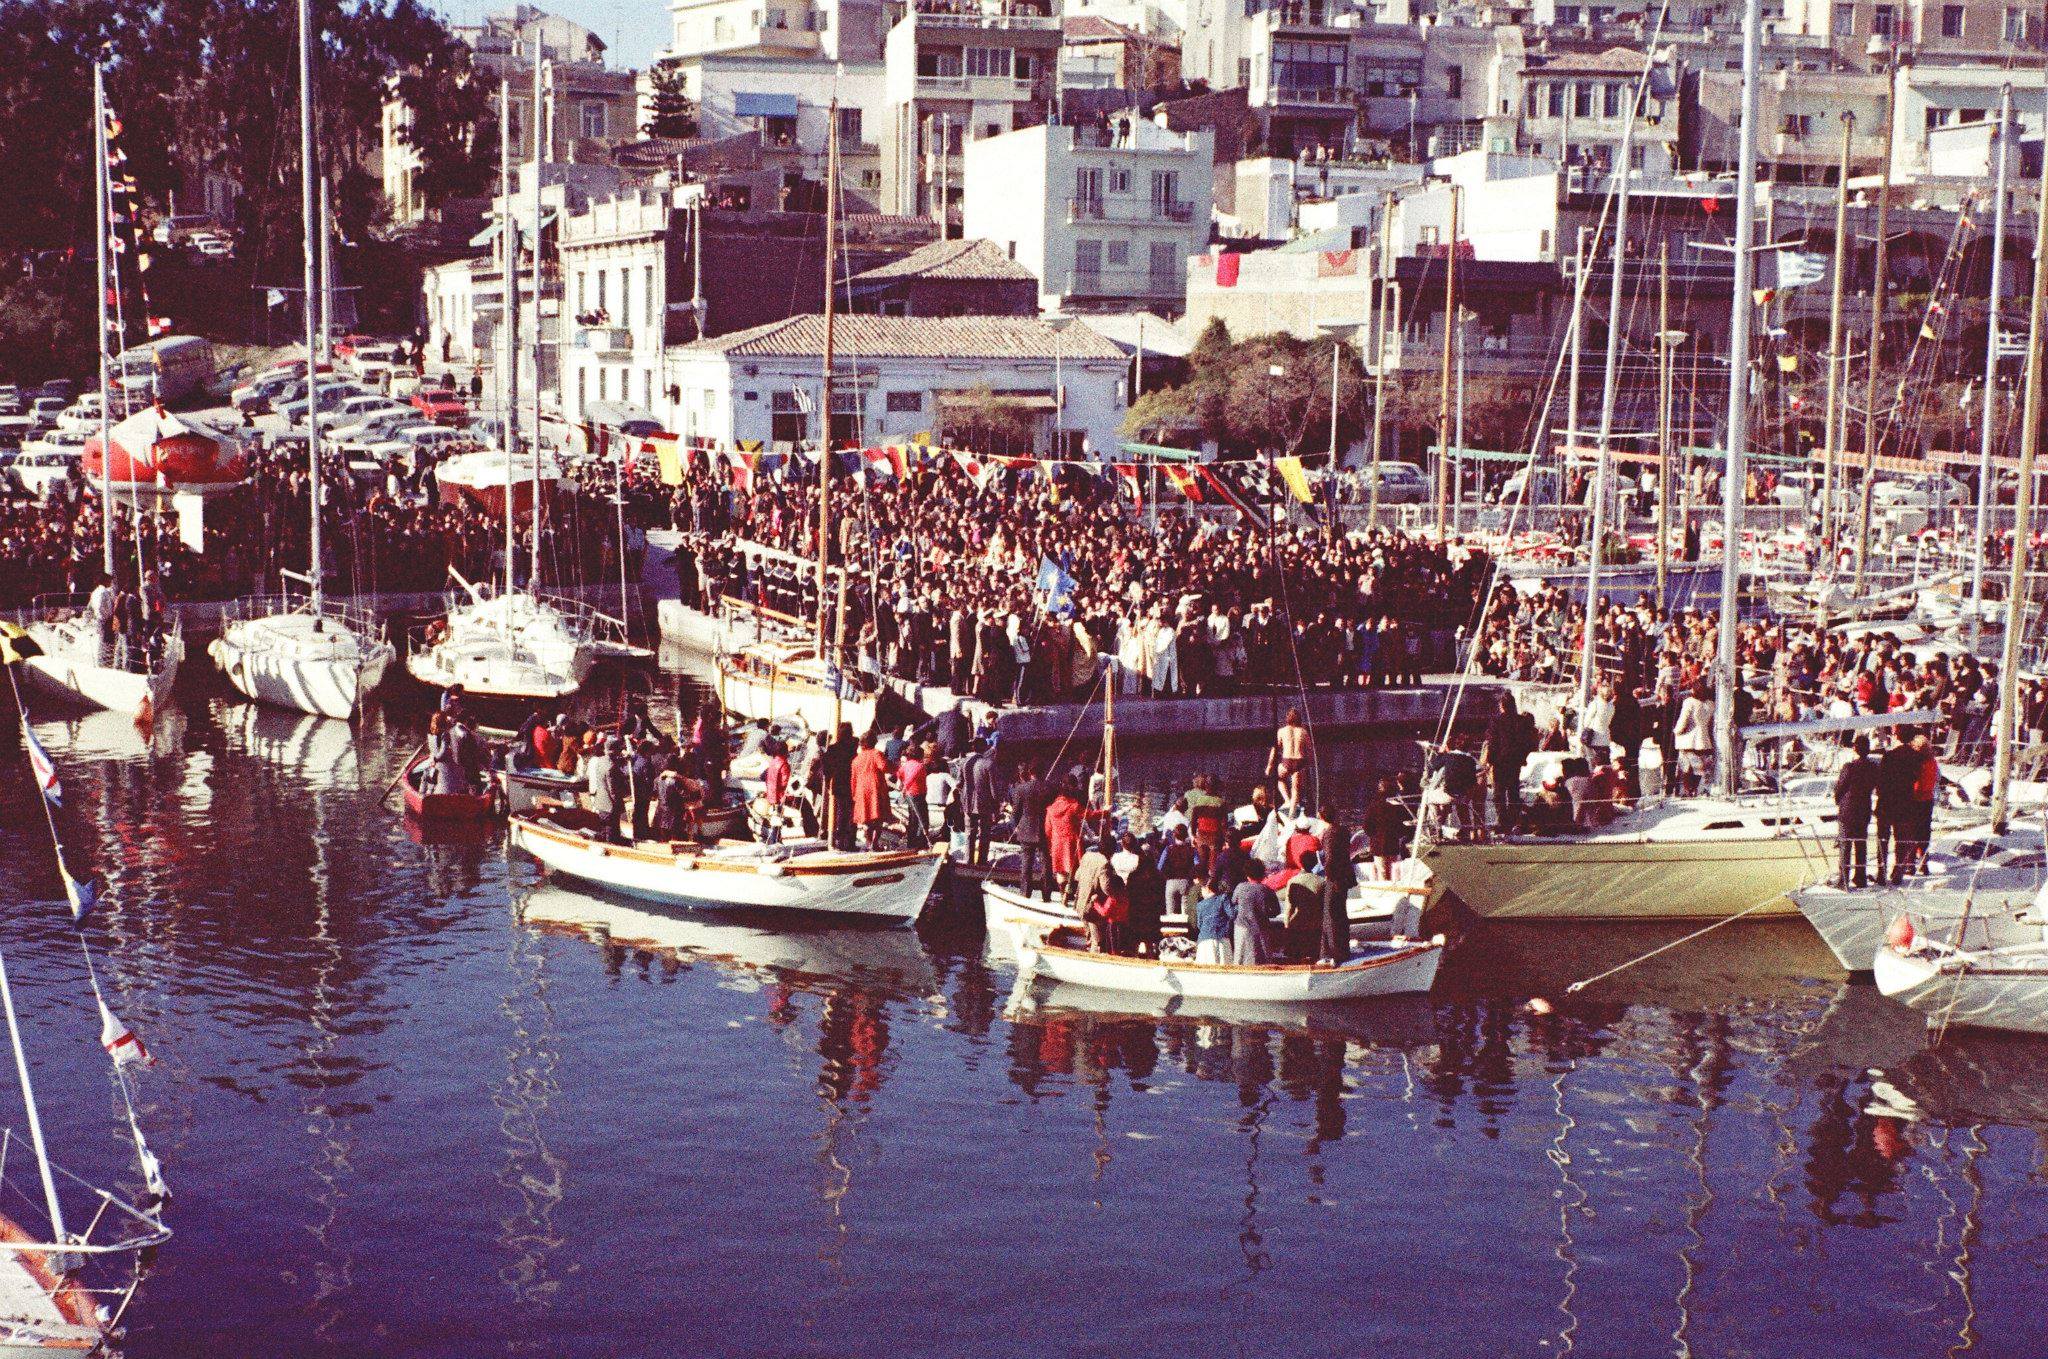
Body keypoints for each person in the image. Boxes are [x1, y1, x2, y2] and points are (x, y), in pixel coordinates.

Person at [1481, 692, 1535, 832]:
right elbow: (1527, 742)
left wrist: (1490, 761)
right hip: (1515, 761)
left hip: (1500, 761)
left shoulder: (1496, 721)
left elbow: (1493, 742)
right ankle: (1514, 820)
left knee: (1499, 793)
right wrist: (1522, 757)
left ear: (1502, 705)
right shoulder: (1521, 721)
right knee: (1513, 791)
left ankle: (1502, 821)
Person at [1832, 734, 1878, 889]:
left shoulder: (1849, 767)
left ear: (1855, 749)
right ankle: (1860, 877)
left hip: (1848, 810)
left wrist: (1838, 800)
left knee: (1845, 845)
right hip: (1863, 808)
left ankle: (1843, 880)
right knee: (1860, 845)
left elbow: (1840, 789)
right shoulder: (1873, 768)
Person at [1875, 730, 1920, 886]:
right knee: (1901, 840)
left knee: (1883, 839)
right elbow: (1916, 777)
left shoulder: (1889, 756)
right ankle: (1898, 872)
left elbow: (1880, 781)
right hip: (1905, 802)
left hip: (1887, 802)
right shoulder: (1915, 757)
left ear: (1897, 736)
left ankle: (1881, 872)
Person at [1316, 803, 1354, 964]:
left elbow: (1330, 859)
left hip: (1335, 878)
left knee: (1331, 915)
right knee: (1340, 914)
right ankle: (1340, 949)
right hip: (1344, 877)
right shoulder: (1343, 831)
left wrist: (1330, 876)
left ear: (1321, 817)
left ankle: (1334, 953)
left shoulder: (1330, 833)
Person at [1009, 762, 1053, 899]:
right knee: (1046, 863)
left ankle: (1025, 893)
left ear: (1030, 772)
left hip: (1026, 829)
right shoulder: (1049, 787)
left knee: (1026, 864)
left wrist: (1016, 826)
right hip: (1044, 828)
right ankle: (1046, 894)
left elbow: (1016, 812)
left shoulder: (1021, 789)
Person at [1073, 831, 1119, 952]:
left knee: (1090, 936)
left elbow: (1077, 876)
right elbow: (1107, 888)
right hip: (1092, 908)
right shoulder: (1104, 863)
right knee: (1097, 941)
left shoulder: (1087, 856)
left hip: (1080, 904)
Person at [1122, 834, 1165, 956]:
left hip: (1136, 914)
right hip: (1151, 915)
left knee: (1134, 943)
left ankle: (1134, 957)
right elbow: (1160, 897)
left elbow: (1129, 893)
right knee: (1150, 943)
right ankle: (1150, 956)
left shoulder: (1133, 876)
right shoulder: (1158, 876)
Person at [1045, 780, 1086, 906]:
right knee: (1072, 871)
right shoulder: (1073, 806)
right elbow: (1088, 814)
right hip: (1071, 841)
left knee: (1060, 871)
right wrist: (1104, 812)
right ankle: (1068, 896)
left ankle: (1063, 894)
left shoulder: (1051, 808)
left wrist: (1050, 845)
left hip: (1057, 842)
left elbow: (1047, 830)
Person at [819, 723, 858, 851]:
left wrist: (828, 777)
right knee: (852, 813)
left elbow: (826, 766)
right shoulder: (853, 746)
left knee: (841, 813)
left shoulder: (833, 749)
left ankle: (839, 841)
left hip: (839, 782)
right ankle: (850, 842)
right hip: (851, 782)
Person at [1230, 869, 1281, 966]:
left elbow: (1233, 902)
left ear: (1247, 876)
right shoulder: (1266, 890)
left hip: (1242, 927)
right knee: (1263, 959)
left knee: (1240, 958)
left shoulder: (1240, 887)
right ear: (1262, 875)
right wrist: (1264, 913)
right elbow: (1276, 911)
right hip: (1261, 927)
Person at [1671, 681, 1713, 796]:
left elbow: (1683, 720)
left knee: (1686, 768)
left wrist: (1676, 731)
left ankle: (1687, 791)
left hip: (1688, 739)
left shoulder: (1689, 702)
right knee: (1698, 768)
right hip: (1703, 739)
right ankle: (1694, 789)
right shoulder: (1711, 704)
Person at [962, 740, 1001, 867]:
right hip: (984, 803)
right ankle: (982, 862)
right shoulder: (989, 764)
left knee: (969, 833)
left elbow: (958, 784)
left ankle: (968, 861)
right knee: (984, 833)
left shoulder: (965, 763)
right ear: (985, 748)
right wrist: (997, 807)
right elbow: (994, 790)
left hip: (968, 802)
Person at [1282, 853, 1326, 961]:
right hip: (1315, 925)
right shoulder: (1322, 881)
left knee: (1295, 957)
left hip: (1297, 925)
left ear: (1300, 863)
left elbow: (1289, 907)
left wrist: (1287, 926)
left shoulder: (1293, 881)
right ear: (1315, 863)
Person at [850, 733, 890, 850]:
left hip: (861, 790)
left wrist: (854, 794)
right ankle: (875, 843)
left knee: (866, 818)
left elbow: (853, 778)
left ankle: (868, 843)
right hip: (875, 788)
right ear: (874, 742)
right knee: (878, 818)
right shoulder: (876, 753)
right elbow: (884, 767)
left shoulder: (856, 759)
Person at [1363, 776, 1408, 879]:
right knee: (1394, 872)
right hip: (1393, 844)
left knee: (1382, 873)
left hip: (1378, 845)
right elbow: (1403, 825)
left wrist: (1374, 836)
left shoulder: (1373, 806)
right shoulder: (1397, 806)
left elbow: (1366, 826)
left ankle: (1383, 892)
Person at [1270, 708, 1312, 812]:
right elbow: (1309, 749)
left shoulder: (1281, 731)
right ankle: (1292, 812)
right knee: (1295, 788)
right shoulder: (1303, 732)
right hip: (1300, 762)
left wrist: (1269, 766)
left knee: (1279, 779)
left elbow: (1275, 749)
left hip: (1286, 761)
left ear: (1287, 718)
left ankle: (1287, 800)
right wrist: (1309, 764)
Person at [1157, 825, 1198, 927]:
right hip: (1186, 882)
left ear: (1174, 835)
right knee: (1185, 912)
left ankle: (1171, 934)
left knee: (1170, 912)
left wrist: (1165, 877)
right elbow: (1197, 865)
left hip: (1171, 881)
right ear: (1186, 835)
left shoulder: (1168, 849)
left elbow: (1159, 866)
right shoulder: (1192, 850)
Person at [584, 738, 622, 843]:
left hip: (600, 801)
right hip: (610, 805)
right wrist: (618, 804)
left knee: (604, 829)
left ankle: (604, 843)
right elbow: (612, 790)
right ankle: (611, 847)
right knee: (612, 831)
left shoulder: (600, 761)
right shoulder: (611, 767)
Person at [1192, 878, 1235, 965]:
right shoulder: (1223, 898)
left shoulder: (1200, 905)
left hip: (1205, 940)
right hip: (1221, 939)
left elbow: (1199, 924)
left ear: (1207, 888)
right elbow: (1232, 914)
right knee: (1225, 968)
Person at [760, 740, 793, 845]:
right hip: (780, 795)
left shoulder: (773, 762)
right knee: (778, 819)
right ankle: (775, 841)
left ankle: (774, 840)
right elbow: (785, 783)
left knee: (776, 818)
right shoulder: (784, 764)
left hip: (771, 795)